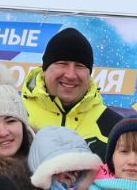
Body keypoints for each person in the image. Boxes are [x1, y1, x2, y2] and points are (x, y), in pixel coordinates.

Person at [21, 28, 120, 159]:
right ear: (44, 69)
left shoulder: (115, 126)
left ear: (89, 73)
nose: (71, 75)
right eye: (62, 64)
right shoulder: (16, 115)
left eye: (79, 66)